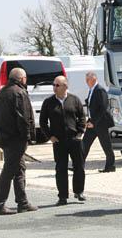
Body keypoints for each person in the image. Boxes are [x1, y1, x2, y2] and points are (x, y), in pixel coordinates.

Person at [0, 68, 38, 215]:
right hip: (16, 139)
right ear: (21, 78)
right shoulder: (19, 93)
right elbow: (23, 118)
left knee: (19, 169)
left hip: (5, 138)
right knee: (9, 171)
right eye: (25, 78)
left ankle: (22, 202)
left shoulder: (0, 93)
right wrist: (28, 137)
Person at [39, 75, 86, 206]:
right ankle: (62, 196)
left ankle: (79, 191)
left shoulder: (74, 100)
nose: (54, 87)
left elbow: (82, 117)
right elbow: (43, 122)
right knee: (60, 168)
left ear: (65, 86)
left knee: (79, 167)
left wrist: (80, 133)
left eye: (57, 85)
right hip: (59, 141)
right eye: (53, 85)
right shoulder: (48, 102)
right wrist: (50, 136)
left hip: (74, 139)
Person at [82, 71, 116, 173]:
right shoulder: (91, 90)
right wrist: (89, 120)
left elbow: (103, 109)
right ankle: (78, 166)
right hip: (92, 123)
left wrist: (94, 122)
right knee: (84, 144)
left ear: (93, 79)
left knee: (106, 146)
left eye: (87, 79)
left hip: (100, 123)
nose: (86, 81)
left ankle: (110, 166)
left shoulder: (100, 90)